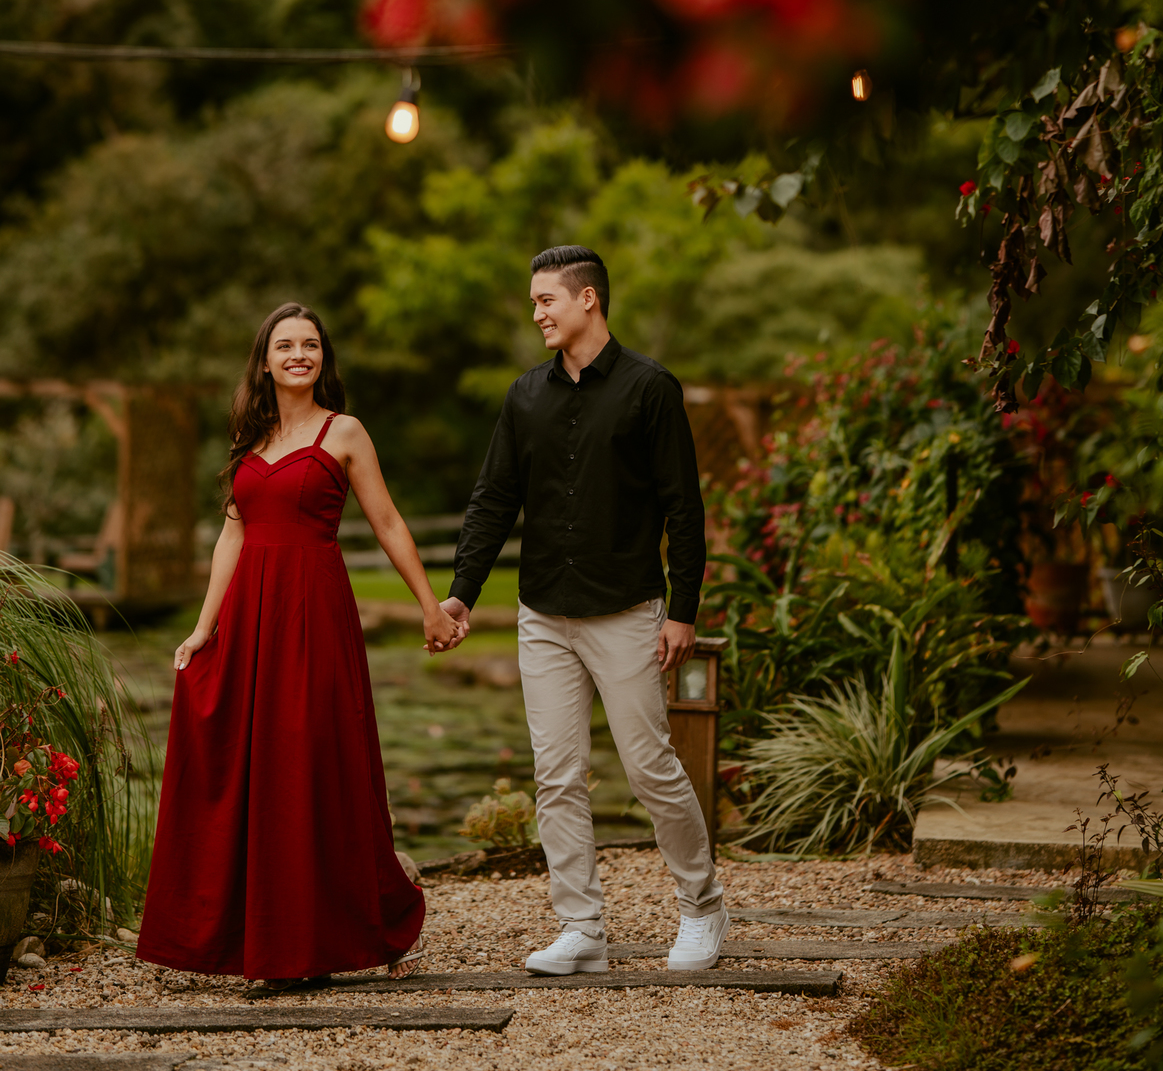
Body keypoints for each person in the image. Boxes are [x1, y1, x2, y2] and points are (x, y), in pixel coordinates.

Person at [137, 302, 463, 987]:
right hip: (251, 614)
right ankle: (249, 938)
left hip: (314, 612)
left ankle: (316, 939)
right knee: (252, 764)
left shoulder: (344, 432)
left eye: (310, 345)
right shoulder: (249, 439)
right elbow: (234, 531)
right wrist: (204, 627)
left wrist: (430, 607)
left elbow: (388, 521)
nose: (298, 355)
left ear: (323, 359)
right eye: (284, 345)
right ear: (264, 361)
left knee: (307, 759)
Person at [442, 245, 728, 975]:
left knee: (649, 768)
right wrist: (461, 593)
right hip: (543, 615)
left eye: (547, 300)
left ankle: (701, 909)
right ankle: (582, 931)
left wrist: (682, 609)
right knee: (558, 774)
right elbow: (494, 500)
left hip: (627, 611)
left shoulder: (650, 389)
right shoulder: (524, 396)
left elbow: (683, 508)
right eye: (536, 301)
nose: (537, 312)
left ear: (588, 300)